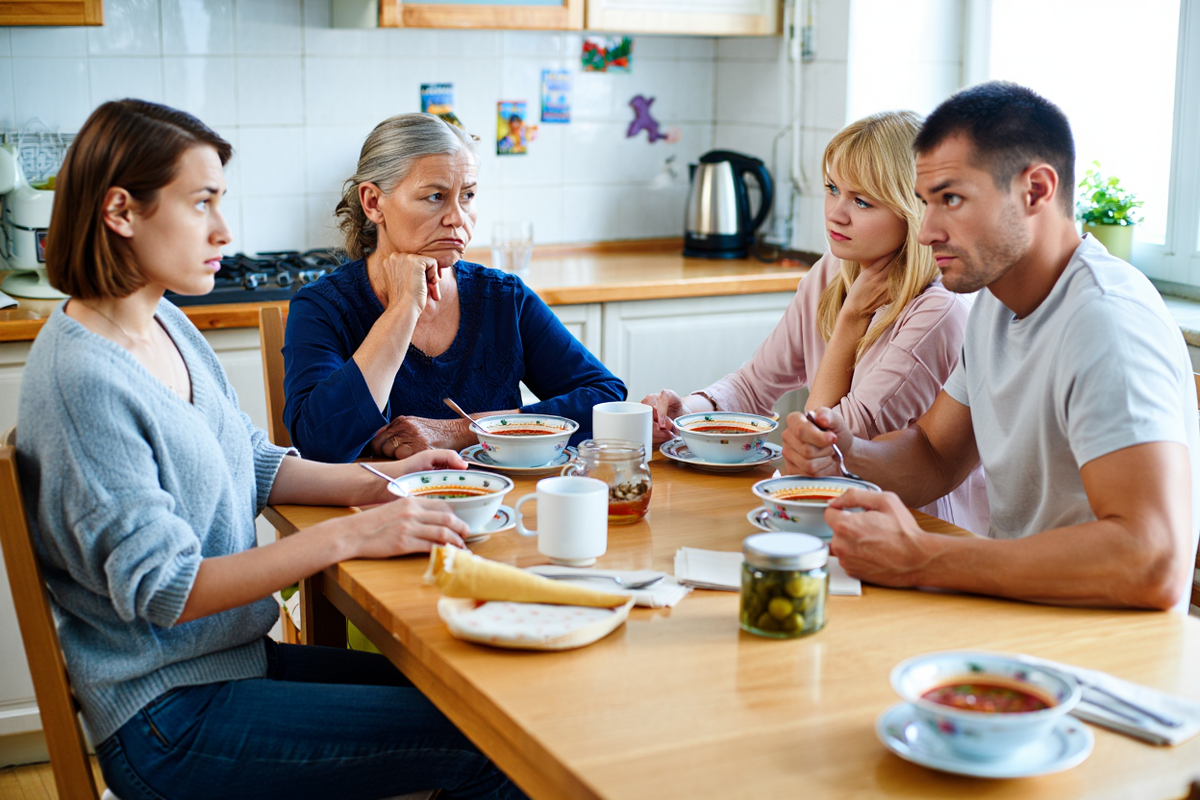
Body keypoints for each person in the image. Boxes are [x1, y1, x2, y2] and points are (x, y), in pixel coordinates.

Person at [16, 99, 525, 800]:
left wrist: (381, 482)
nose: (225, 229)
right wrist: (355, 535)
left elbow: (249, 459)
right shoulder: (85, 379)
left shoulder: (159, 317)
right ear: (120, 213)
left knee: (492, 699)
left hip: (230, 666)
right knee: (493, 743)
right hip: (170, 719)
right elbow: (166, 590)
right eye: (201, 204)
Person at [785, 82, 1200, 611]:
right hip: (1019, 611)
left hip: (1099, 645)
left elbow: (1152, 559)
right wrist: (846, 454)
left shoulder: (1106, 322)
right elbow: (935, 455)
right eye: (924, 203)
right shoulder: (996, 304)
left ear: (1036, 191)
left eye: (951, 200)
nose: (926, 231)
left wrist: (925, 558)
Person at [643, 111, 988, 534]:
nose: (836, 214)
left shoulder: (936, 313)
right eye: (832, 189)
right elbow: (754, 385)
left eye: (861, 202)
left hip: (916, 531)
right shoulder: (833, 271)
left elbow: (822, 452)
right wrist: (687, 414)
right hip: (839, 520)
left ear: (912, 213)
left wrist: (849, 321)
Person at [284, 113, 624, 464]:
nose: (458, 218)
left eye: (468, 195)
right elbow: (319, 445)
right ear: (373, 203)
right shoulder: (322, 307)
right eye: (435, 196)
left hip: (498, 507)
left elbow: (607, 401)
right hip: (381, 511)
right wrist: (403, 309)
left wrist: (464, 430)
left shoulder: (504, 298)